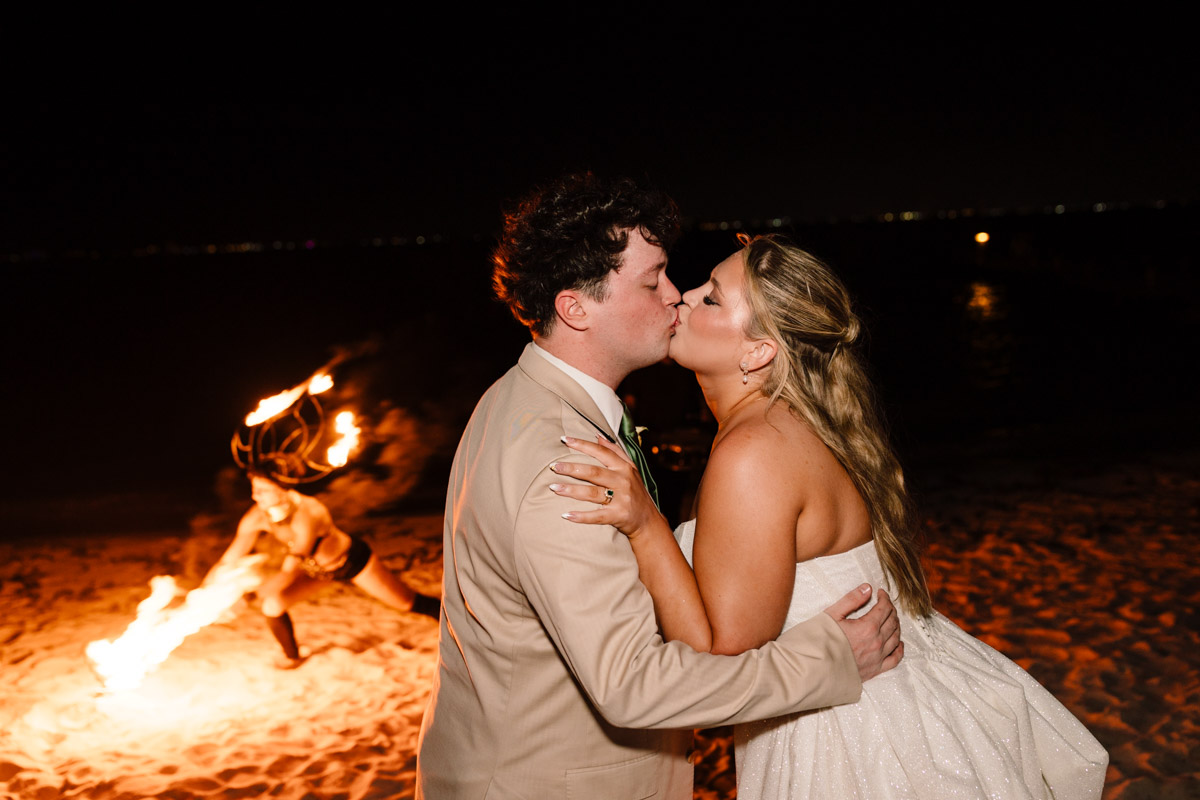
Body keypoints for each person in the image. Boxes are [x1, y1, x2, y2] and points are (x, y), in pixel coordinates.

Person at [553, 234, 1110, 798]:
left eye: (713, 298)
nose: (684, 296)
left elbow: (719, 658)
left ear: (758, 352)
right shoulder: (798, 425)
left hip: (851, 737)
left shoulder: (752, 452)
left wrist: (646, 524)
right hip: (900, 705)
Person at [416, 174, 904, 799]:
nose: (676, 295)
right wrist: (829, 660)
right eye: (653, 281)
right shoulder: (561, 464)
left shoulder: (526, 398)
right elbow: (633, 684)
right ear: (576, 307)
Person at [206, 468, 439, 668]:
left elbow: (289, 572)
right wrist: (206, 592)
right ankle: (293, 658)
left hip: (349, 562)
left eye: (263, 490)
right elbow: (230, 558)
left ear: (284, 488)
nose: (255, 495)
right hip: (316, 571)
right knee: (273, 604)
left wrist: (246, 598)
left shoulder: (307, 512)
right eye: (254, 488)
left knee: (406, 603)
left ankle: (458, 620)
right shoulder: (257, 516)